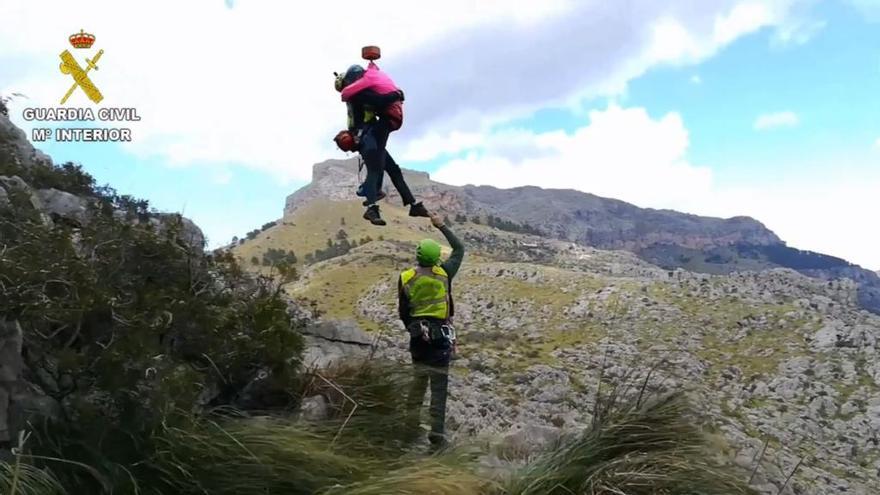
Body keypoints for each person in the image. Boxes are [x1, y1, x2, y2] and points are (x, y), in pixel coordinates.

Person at [399, 212, 464, 449]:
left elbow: (403, 311)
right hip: (440, 340)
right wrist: (441, 225)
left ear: (417, 256)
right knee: (438, 390)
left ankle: (409, 431)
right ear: (437, 258)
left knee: (417, 387)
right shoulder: (444, 273)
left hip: (418, 339)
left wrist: (414, 330)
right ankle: (436, 438)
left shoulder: (406, 277)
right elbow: (459, 249)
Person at [335, 62, 429, 226]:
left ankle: (413, 205)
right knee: (375, 170)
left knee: (392, 169)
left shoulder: (354, 96)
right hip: (367, 137)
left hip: (368, 137)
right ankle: (372, 208)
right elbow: (379, 101)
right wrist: (396, 95)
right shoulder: (358, 95)